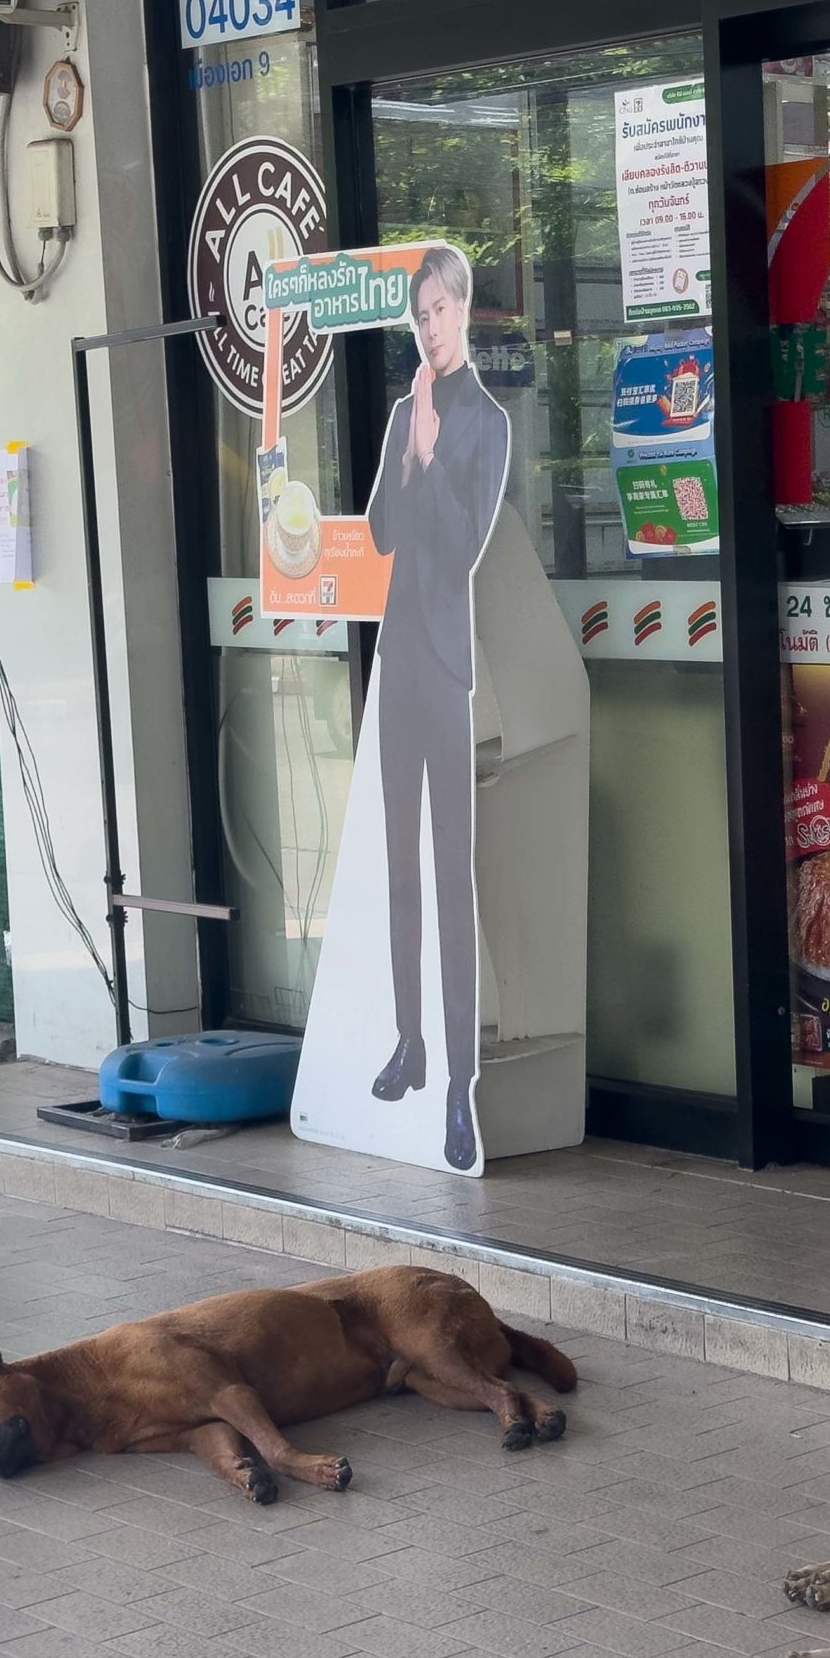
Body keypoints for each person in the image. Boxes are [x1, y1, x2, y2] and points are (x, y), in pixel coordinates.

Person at [362, 245, 510, 1171]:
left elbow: (463, 550)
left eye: (441, 311)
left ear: (463, 310)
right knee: (400, 870)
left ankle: (459, 1085)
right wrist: (406, 450)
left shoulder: (488, 422)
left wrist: (429, 454)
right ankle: (408, 1042)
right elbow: (381, 529)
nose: (430, 328)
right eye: (419, 316)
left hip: (450, 665)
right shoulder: (397, 413)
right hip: (398, 663)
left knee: (453, 874)